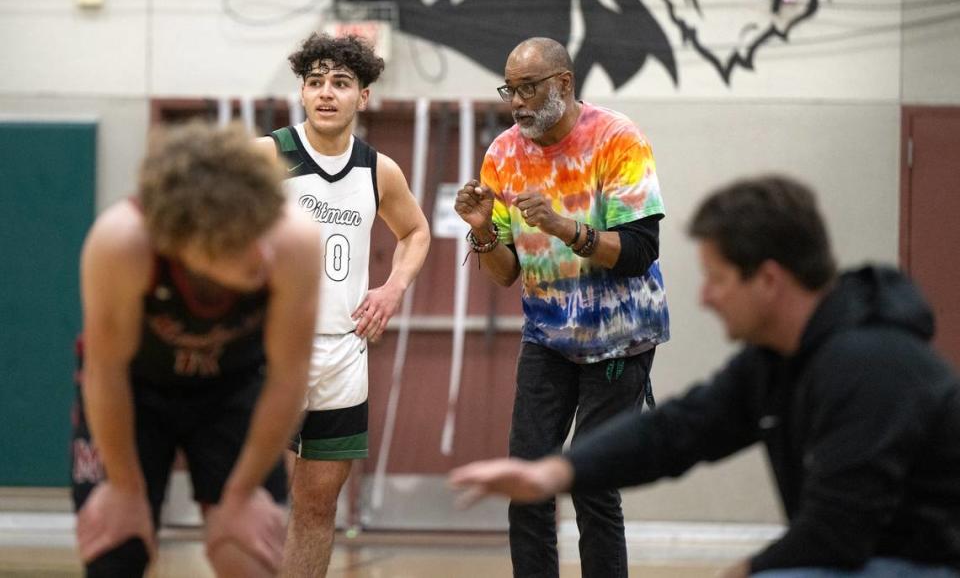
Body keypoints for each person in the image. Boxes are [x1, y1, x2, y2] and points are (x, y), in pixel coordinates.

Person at [451, 175, 960, 578]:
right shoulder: (781, 359)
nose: (705, 298)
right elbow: (679, 430)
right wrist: (553, 474)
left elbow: (837, 535)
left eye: (717, 279)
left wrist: (738, 573)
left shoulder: (871, 366)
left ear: (768, 281)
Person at [453, 36, 670, 578]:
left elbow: (640, 253)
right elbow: (506, 274)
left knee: (593, 484)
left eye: (529, 88)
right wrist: (482, 233)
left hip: (620, 335)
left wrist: (564, 226)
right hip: (548, 336)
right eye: (511, 90)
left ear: (563, 83)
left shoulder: (617, 139)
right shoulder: (503, 153)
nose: (518, 102)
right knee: (526, 483)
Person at [71, 122, 322, 577]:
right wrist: (126, 490)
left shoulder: (294, 242)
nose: (260, 255)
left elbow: (288, 376)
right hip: (134, 391)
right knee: (115, 550)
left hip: (234, 389)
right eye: (238, 245)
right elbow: (105, 371)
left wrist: (242, 494)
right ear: (181, 244)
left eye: (261, 230)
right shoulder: (121, 243)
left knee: (245, 553)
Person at [254, 32, 430, 577]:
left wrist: (392, 287)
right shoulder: (266, 155)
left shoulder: (379, 170)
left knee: (317, 506)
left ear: (364, 97)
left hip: (342, 354)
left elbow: (417, 232)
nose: (326, 92)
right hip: (273, 352)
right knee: (260, 504)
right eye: (315, 82)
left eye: (340, 83)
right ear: (302, 93)